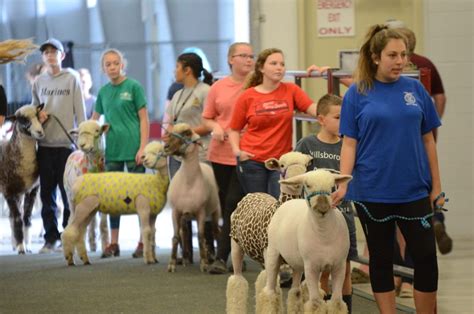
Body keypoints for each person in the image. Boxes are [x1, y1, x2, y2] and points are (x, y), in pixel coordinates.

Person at [332, 25, 445, 313]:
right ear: (375, 57)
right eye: (392, 55)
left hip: (414, 189)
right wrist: (343, 183)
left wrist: (436, 186)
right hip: (372, 190)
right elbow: (349, 144)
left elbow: (429, 140)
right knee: (381, 260)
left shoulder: (415, 89)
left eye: (403, 55)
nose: (399, 61)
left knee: (426, 260)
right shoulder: (357, 93)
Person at [386, 22, 452, 256]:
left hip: (400, 144)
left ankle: (401, 267)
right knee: (427, 187)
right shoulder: (426, 64)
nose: (399, 61)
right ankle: (437, 218)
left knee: (405, 203)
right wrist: (432, 125)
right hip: (422, 138)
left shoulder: (394, 73)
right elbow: (440, 97)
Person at [228, 48, 318, 199]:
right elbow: (234, 129)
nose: (279, 67)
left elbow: (314, 109)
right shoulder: (248, 96)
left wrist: (337, 109)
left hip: (280, 161)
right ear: (261, 68)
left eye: (282, 64)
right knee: (259, 206)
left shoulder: (291, 90)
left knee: (278, 203)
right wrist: (238, 152)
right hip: (252, 160)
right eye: (274, 63)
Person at [294, 94, 356, 312]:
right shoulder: (306, 145)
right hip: (314, 220)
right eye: (338, 117)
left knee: (344, 267)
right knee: (318, 269)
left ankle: (342, 307)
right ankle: (319, 307)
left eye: (346, 116)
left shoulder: (349, 145)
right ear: (321, 119)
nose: (343, 121)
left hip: (343, 213)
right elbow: (295, 175)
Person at [202, 42, 255, 274]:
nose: (248, 60)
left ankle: (222, 257)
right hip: (220, 153)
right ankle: (235, 253)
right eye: (243, 55)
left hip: (247, 153)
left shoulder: (257, 86)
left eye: (251, 56)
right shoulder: (218, 87)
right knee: (227, 205)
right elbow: (207, 117)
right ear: (231, 59)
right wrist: (215, 127)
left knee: (233, 203)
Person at [91, 48, 149, 258]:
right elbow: (94, 121)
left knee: (138, 198)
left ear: (122, 64)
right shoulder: (103, 92)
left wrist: (143, 147)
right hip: (112, 152)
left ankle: (143, 241)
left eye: (116, 63)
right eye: (108, 64)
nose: (113, 67)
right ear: (103, 68)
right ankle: (113, 243)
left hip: (134, 151)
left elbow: (144, 119)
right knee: (113, 198)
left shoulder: (134, 87)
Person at [32, 38, 86, 253]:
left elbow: (80, 111)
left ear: (62, 56)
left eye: (54, 51)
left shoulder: (72, 79)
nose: (50, 55)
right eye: (46, 52)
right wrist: (38, 114)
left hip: (67, 146)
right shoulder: (38, 82)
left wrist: (82, 142)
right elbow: (34, 110)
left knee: (68, 194)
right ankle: (50, 237)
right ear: (43, 57)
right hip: (45, 145)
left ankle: (68, 232)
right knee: (47, 194)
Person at [163, 52, 214, 262]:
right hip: (179, 155)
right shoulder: (177, 94)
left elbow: (211, 122)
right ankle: (185, 251)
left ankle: (208, 249)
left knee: (205, 203)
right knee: (179, 201)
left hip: (200, 154)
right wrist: (170, 133)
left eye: (177, 67)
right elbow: (172, 121)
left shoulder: (205, 92)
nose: (174, 71)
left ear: (187, 70)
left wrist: (187, 133)